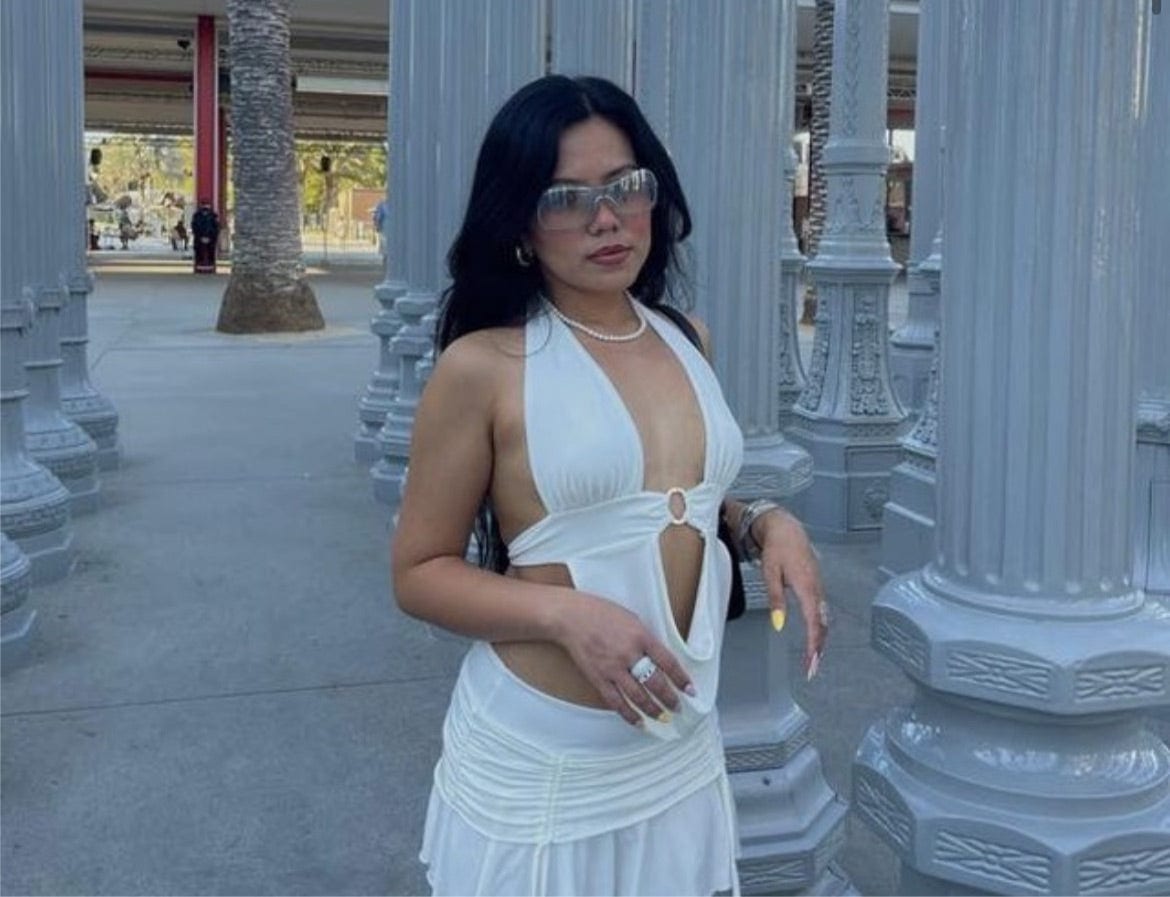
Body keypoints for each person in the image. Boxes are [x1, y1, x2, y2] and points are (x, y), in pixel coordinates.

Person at [391, 75, 828, 897]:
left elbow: (672, 496)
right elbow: (418, 572)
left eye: (627, 186)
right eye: (566, 198)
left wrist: (765, 522)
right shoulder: (483, 366)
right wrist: (568, 616)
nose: (607, 218)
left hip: (677, 751)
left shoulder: (685, 336)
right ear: (521, 222)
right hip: (546, 769)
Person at [190, 199, 220, 273]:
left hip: (210, 238)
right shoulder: (197, 215)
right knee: (199, 253)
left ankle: (210, 269)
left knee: (210, 254)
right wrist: (200, 237)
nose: (205, 207)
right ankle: (199, 268)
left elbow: (216, 228)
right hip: (200, 238)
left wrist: (211, 237)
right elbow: (194, 227)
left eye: (207, 205)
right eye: (204, 205)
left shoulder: (213, 216)